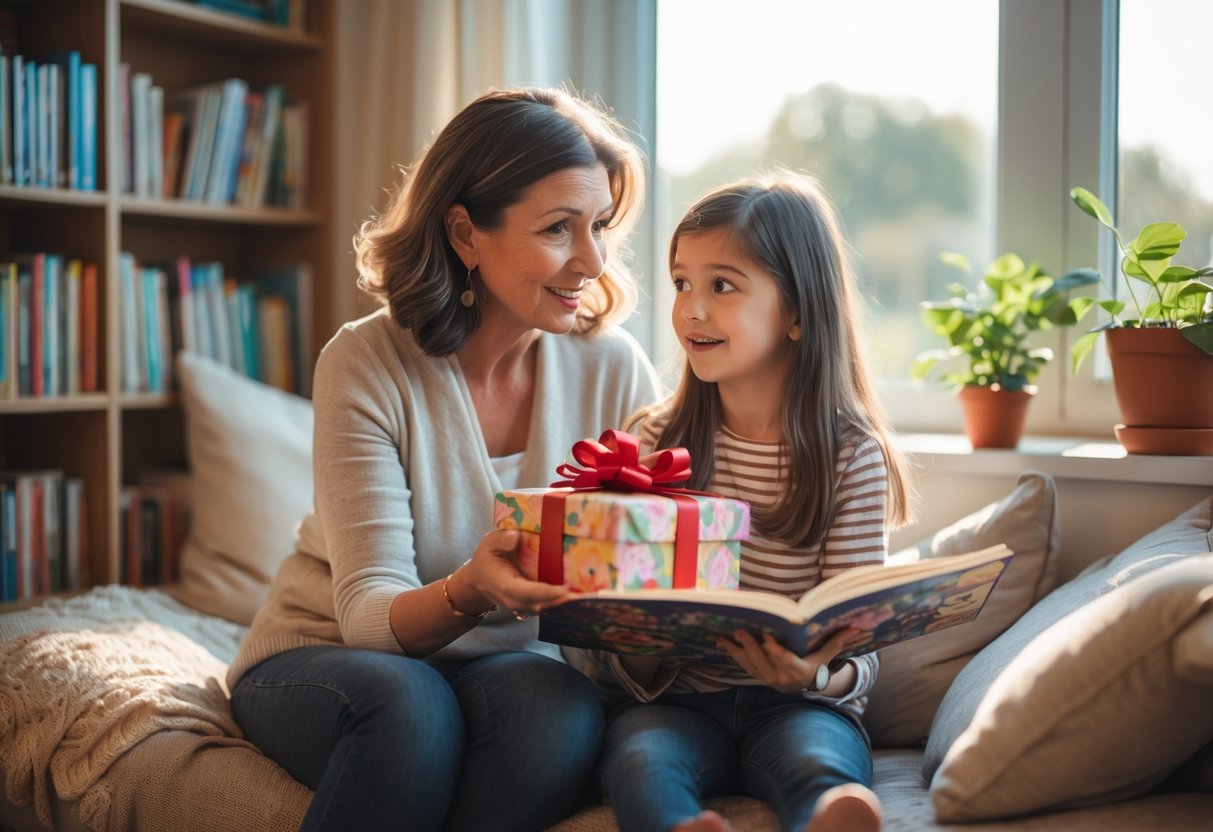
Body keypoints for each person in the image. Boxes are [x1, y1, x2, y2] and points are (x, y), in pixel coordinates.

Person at [226, 86, 662, 832]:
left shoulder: (613, 368)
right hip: (327, 652)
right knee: (409, 707)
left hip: (505, 666)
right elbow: (366, 617)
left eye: (599, 227)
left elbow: (641, 575)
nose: (590, 261)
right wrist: (472, 588)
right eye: (559, 229)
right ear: (465, 233)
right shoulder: (366, 362)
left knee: (553, 704)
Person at [585, 172, 913, 832]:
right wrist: (638, 643)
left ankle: (827, 816)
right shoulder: (655, 440)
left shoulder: (850, 454)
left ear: (795, 311)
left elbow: (858, 644)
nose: (691, 309)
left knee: (819, 762)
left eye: (721, 285)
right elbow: (617, 629)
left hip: (800, 705)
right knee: (641, 760)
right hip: (677, 701)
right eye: (681, 283)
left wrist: (810, 678)